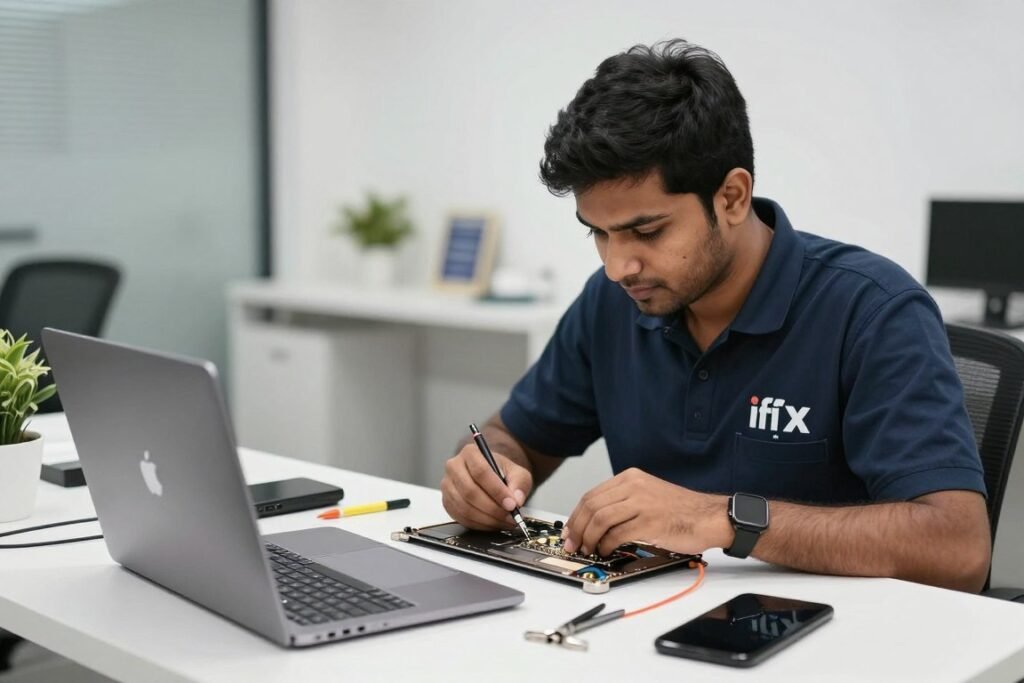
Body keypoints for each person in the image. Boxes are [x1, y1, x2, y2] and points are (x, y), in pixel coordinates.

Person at [440, 39, 991, 592]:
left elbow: (958, 547)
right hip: (648, 627)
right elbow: (517, 437)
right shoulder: (612, 303)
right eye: (598, 233)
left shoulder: (872, 310)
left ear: (731, 197)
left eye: (647, 231)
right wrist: (490, 472)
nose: (617, 266)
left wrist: (723, 518)